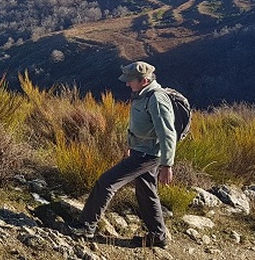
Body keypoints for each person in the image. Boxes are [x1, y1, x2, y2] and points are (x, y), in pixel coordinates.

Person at [70, 61, 176, 248]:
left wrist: (167, 165)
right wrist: (130, 146)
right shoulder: (143, 94)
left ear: (144, 80)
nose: (127, 84)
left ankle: (86, 226)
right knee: (147, 193)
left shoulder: (156, 99)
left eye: (130, 80)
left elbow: (167, 133)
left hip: (146, 155)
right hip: (141, 151)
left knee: (106, 183)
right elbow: (141, 126)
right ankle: (158, 237)